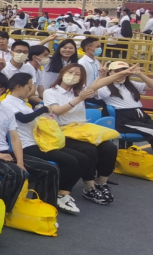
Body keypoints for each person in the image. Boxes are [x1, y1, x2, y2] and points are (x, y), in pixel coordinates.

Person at [0, 71, 59, 212]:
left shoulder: (7, 110)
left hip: (5, 153)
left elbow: (15, 138)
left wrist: (20, 162)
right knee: (16, 173)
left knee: (50, 169)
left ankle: (44, 210)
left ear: (1, 90)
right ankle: (3, 212)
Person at [43, 63, 126, 205]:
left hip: (82, 129)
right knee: (89, 150)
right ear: (63, 73)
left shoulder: (79, 90)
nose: (72, 76)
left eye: (77, 74)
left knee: (109, 148)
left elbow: (98, 85)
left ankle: (101, 182)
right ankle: (89, 186)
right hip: (63, 132)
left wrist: (118, 74)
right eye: (70, 72)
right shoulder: (50, 92)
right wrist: (79, 99)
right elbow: (57, 111)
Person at [1, 72, 83, 214]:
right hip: (26, 145)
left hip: (38, 141)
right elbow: (23, 118)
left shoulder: (22, 102)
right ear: (18, 86)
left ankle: (61, 192)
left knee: (81, 159)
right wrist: (42, 110)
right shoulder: (7, 103)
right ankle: (55, 193)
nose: (30, 90)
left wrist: (43, 113)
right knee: (70, 161)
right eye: (29, 87)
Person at [97, 61, 153, 146]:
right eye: (116, 71)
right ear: (110, 72)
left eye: (124, 71)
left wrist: (140, 74)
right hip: (124, 119)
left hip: (140, 116)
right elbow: (90, 90)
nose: (121, 74)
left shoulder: (132, 84)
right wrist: (100, 77)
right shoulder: (104, 88)